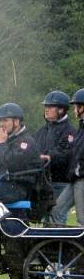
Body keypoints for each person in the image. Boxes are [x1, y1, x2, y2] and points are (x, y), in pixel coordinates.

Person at [51, 89, 84, 224]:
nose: (75, 110)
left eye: (77, 106)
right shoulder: (81, 127)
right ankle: (60, 245)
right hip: (75, 178)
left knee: (82, 220)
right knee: (56, 211)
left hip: (82, 179)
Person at [34, 90, 74, 200]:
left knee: (56, 215)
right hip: (42, 182)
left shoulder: (69, 131)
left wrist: (46, 157)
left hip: (60, 182)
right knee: (41, 216)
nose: (46, 109)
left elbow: (65, 154)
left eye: (51, 107)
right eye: (46, 106)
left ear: (61, 109)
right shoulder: (41, 131)